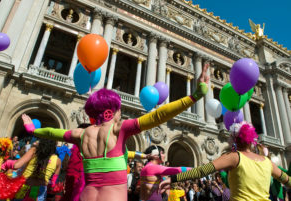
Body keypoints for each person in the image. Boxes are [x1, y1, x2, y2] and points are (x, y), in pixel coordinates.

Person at [21, 63, 209, 201]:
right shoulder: (119, 130)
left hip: (85, 196)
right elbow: (158, 116)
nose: (121, 114)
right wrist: (195, 96)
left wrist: (34, 130)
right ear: (111, 112)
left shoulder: (81, 134)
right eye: (119, 110)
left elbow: (54, 132)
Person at [159, 122, 291, 201]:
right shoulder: (267, 162)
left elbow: (202, 171)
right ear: (252, 142)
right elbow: (287, 180)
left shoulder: (235, 157)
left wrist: (173, 179)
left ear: (233, 141)